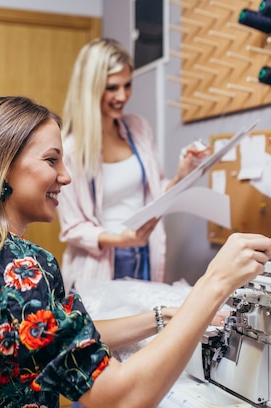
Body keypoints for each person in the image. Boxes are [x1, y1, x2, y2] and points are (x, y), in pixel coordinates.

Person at [0, 95, 271, 408]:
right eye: (52, 160)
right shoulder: (14, 267)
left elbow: (57, 334)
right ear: (3, 166)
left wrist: (163, 316)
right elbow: (124, 400)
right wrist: (214, 283)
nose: (66, 177)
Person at [57, 37, 209, 294]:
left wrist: (182, 174)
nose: (123, 96)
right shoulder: (70, 149)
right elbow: (73, 227)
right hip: (99, 264)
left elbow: (154, 195)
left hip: (144, 254)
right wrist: (120, 240)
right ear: (90, 88)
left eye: (128, 85)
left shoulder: (138, 128)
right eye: (112, 87)